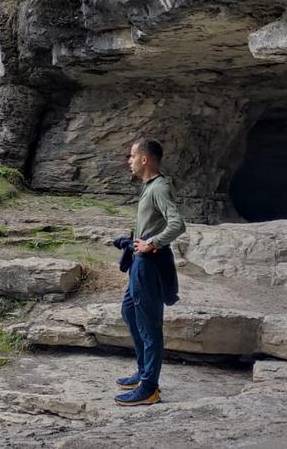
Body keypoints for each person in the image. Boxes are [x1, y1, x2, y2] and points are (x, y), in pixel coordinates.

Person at [115, 138, 186, 406]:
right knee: (129, 311)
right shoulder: (149, 187)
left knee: (149, 326)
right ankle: (144, 371)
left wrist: (152, 243)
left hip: (150, 264)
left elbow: (178, 225)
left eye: (131, 155)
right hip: (139, 261)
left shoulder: (159, 188)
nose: (128, 160)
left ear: (145, 159)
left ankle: (149, 388)